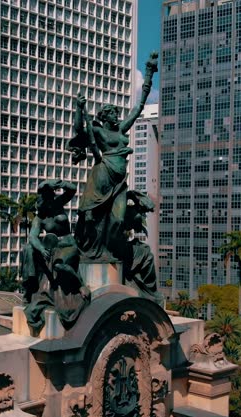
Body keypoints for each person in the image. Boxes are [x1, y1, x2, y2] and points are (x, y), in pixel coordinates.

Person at [69, 52, 158, 261]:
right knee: (92, 217)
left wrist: (148, 75)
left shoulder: (121, 130)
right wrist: (79, 108)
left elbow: (138, 108)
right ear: (104, 116)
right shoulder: (98, 131)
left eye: (116, 112)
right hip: (102, 176)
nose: (116, 114)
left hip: (119, 183)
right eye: (112, 112)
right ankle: (92, 250)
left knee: (118, 220)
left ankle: (109, 251)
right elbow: (79, 130)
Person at [20, 180, 88, 328]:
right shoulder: (39, 218)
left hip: (68, 245)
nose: (45, 204)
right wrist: (41, 249)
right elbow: (33, 237)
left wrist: (58, 184)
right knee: (28, 249)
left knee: (60, 266)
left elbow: (72, 190)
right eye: (42, 201)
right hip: (52, 247)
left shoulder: (59, 203)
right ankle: (29, 287)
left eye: (47, 198)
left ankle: (81, 285)